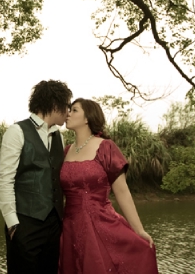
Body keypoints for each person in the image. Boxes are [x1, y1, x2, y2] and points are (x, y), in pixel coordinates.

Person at [59, 98, 159, 274]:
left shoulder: (106, 147)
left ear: (87, 118)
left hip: (100, 224)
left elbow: (122, 192)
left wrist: (139, 229)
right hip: (69, 227)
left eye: (74, 110)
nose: (68, 113)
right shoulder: (66, 150)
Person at [0, 79, 73, 274]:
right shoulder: (17, 131)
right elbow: (5, 180)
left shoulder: (59, 136)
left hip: (54, 224)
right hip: (25, 224)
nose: (68, 111)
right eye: (67, 106)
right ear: (55, 105)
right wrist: (13, 224)